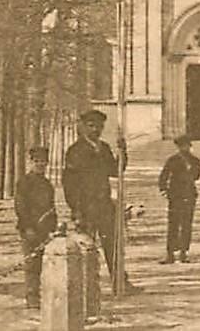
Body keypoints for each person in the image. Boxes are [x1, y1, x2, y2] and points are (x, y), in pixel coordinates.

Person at [63, 109, 127, 283]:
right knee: (86, 248)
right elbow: (69, 184)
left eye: (99, 126)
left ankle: (120, 282)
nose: (95, 130)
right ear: (83, 127)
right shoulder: (75, 151)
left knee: (113, 245)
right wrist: (76, 210)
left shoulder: (104, 148)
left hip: (104, 205)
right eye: (91, 126)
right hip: (85, 207)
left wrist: (122, 153)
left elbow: (115, 171)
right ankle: (86, 285)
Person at [16, 147, 57, 310]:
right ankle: (32, 298)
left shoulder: (47, 184)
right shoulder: (24, 183)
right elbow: (20, 207)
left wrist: (54, 228)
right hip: (30, 230)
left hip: (46, 230)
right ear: (30, 162)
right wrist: (27, 228)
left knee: (48, 264)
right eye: (37, 161)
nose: (40, 164)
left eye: (43, 161)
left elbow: (51, 208)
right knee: (32, 265)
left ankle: (47, 296)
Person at [158, 134, 200, 263]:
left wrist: (191, 170)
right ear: (178, 147)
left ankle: (184, 252)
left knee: (187, 224)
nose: (185, 148)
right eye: (182, 146)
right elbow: (164, 175)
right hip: (175, 195)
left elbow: (197, 176)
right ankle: (170, 253)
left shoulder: (195, 161)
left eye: (187, 146)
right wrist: (163, 190)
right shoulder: (173, 160)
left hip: (189, 194)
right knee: (173, 224)